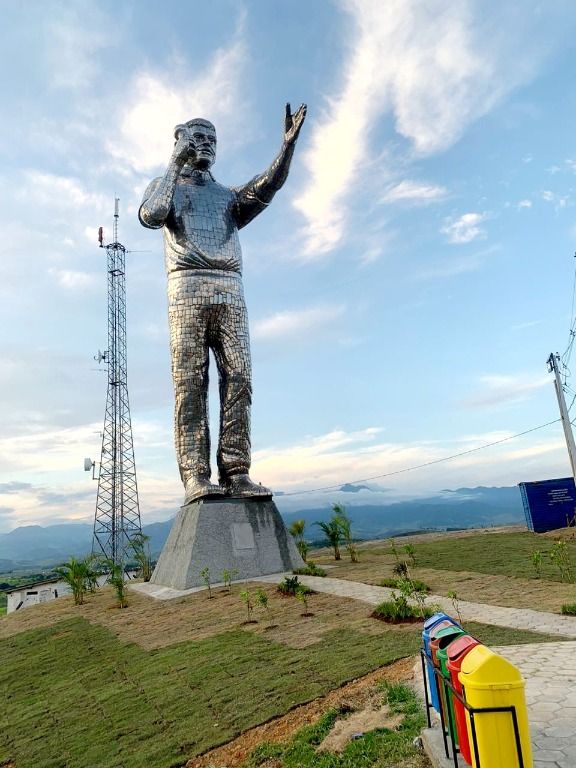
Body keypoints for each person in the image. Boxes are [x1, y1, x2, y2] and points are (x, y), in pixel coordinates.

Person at [139, 103, 307, 504]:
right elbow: (151, 214)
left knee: (240, 377)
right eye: (197, 138)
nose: (206, 145)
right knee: (190, 382)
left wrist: (286, 147)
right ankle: (196, 475)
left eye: (212, 139)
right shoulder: (166, 186)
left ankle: (236, 471)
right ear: (179, 139)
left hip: (230, 288)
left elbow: (267, 186)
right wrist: (174, 163)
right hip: (187, 287)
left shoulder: (227, 197)